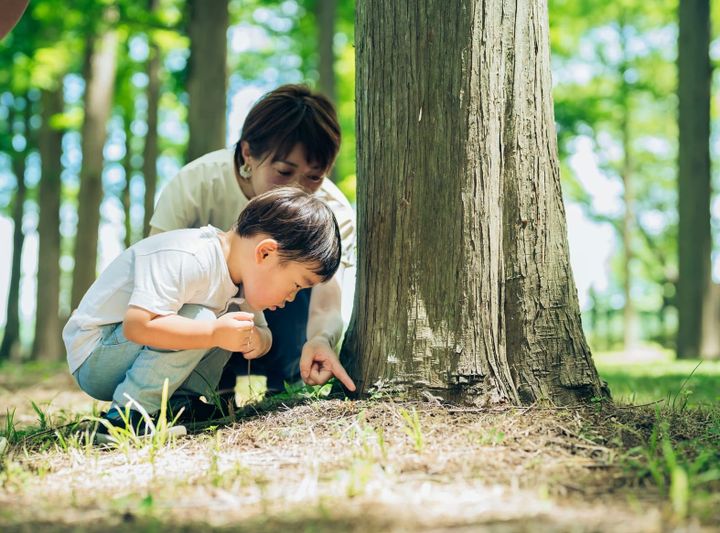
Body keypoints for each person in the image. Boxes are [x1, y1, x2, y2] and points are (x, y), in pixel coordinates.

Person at [63, 188, 356, 442]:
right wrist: (214, 333)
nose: (291, 298)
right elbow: (138, 326)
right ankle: (127, 415)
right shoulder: (189, 256)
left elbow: (263, 334)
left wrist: (254, 339)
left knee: (227, 323)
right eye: (295, 285)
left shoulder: (242, 280)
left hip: (128, 357)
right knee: (205, 321)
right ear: (265, 253)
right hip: (96, 355)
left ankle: (179, 404)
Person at [148, 84, 356, 405]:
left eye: (314, 177)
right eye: (284, 171)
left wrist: (321, 339)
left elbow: (327, 303)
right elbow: (155, 273)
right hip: (200, 328)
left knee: (296, 271)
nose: (299, 189)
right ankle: (200, 393)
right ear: (248, 153)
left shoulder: (333, 212)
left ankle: (287, 384)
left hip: (282, 332)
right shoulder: (197, 185)